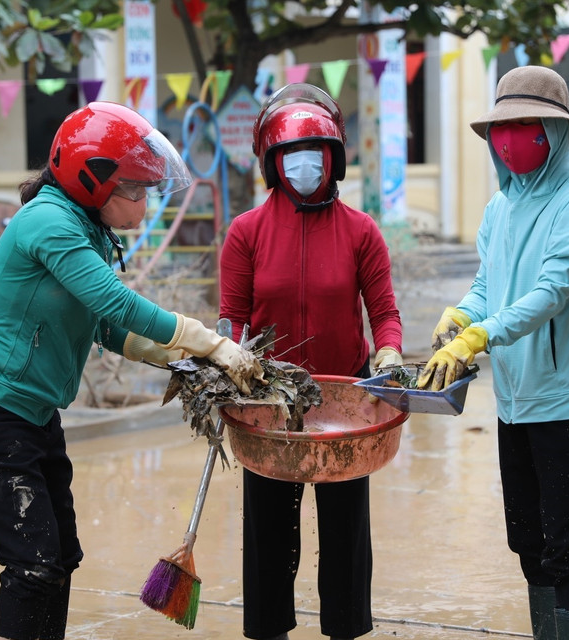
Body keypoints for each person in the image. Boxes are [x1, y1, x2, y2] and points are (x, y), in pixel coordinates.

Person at [0, 101, 263, 640]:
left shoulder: (86, 229)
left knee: (60, 557)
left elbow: (104, 326)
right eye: (134, 190)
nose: (141, 206)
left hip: (34, 416)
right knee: (33, 564)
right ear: (92, 182)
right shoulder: (47, 222)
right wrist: (212, 342)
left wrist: (183, 359)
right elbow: (114, 303)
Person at [418, 66, 569, 640]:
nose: (507, 138)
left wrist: (482, 336)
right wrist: (462, 315)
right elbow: (488, 284)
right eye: (501, 127)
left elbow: (552, 292)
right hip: (514, 403)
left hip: (568, 403)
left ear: (555, 133)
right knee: (527, 541)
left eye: (524, 125)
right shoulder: (498, 208)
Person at [218, 83, 403, 640]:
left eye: (316, 152)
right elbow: (232, 324)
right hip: (268, 403)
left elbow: (385, 313)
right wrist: (230, 372)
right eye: (291, 155)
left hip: (345, 403)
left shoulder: (362, 232)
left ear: (335, 158)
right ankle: (270, 629)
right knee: (269, 535)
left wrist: (390, 352)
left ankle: (345, 628)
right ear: (273, 163)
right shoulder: (245, 233)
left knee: (347, 535)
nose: (304, 164)